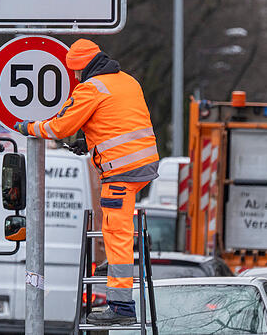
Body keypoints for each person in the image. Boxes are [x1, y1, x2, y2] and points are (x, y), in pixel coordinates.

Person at [13, 38, 159, 325]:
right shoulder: (127, 81)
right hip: (143, 165)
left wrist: (26, 127)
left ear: (80, 68)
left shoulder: (90, 89)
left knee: (117, 231)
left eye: (75, 72)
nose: (75, 77)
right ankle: (118, 267)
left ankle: (122, 308)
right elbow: (118, 122)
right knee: (112, 223)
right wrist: (89, 142)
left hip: (121, 170)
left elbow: (59, 126)